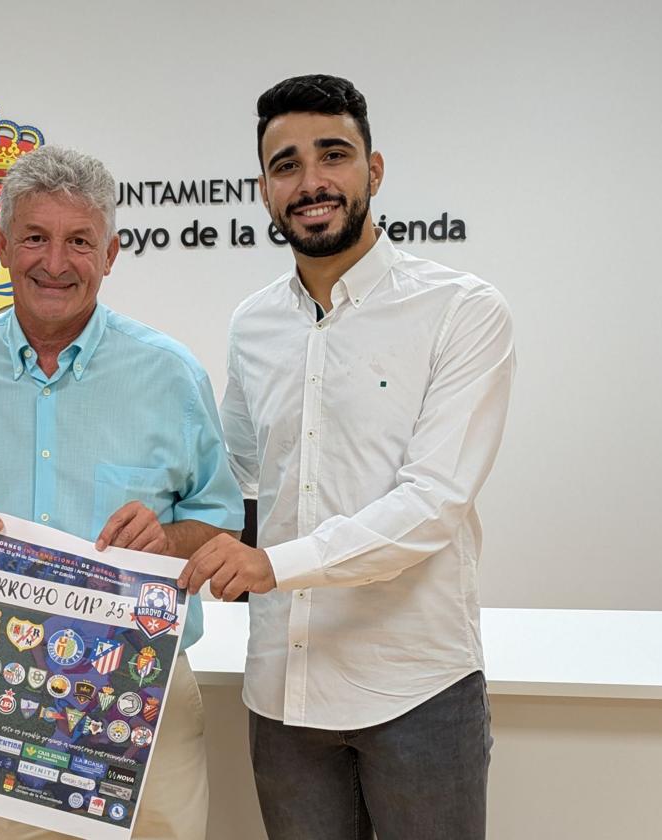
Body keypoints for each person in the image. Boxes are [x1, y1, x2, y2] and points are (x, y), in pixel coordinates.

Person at [179, 74, 515, 839]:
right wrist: (163, 532)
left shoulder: (462, 311)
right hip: (284, 694)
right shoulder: (253, 323)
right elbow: (237, 486)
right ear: (264, 188)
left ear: (375, 169)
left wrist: (274, 565)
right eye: (286, 164)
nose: (311, 181)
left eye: (333, 154)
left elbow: (432, 504)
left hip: (416, 689)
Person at [0, 145, 244, 840]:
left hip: (143, 698)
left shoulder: (170, 377)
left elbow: (220, 524)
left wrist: (167, 538)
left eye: (79, 242)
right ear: (0, 244)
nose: (55, 262)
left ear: (113, 253)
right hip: (2, 699)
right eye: (35, 237)